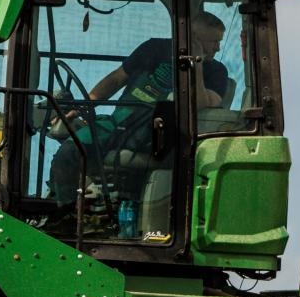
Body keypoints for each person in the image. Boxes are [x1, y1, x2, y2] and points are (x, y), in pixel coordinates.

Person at [46, 11, 231, 210]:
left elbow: (202, 103)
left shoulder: (216, 71)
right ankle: (63, 212)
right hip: (119, 122)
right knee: (69, 150)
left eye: (219, 41)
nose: (218, 48)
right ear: (193, 37)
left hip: (162, 134)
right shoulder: (153, 48)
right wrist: (83, 106)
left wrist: (196, 63)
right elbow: (116, 79)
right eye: (214, 41)